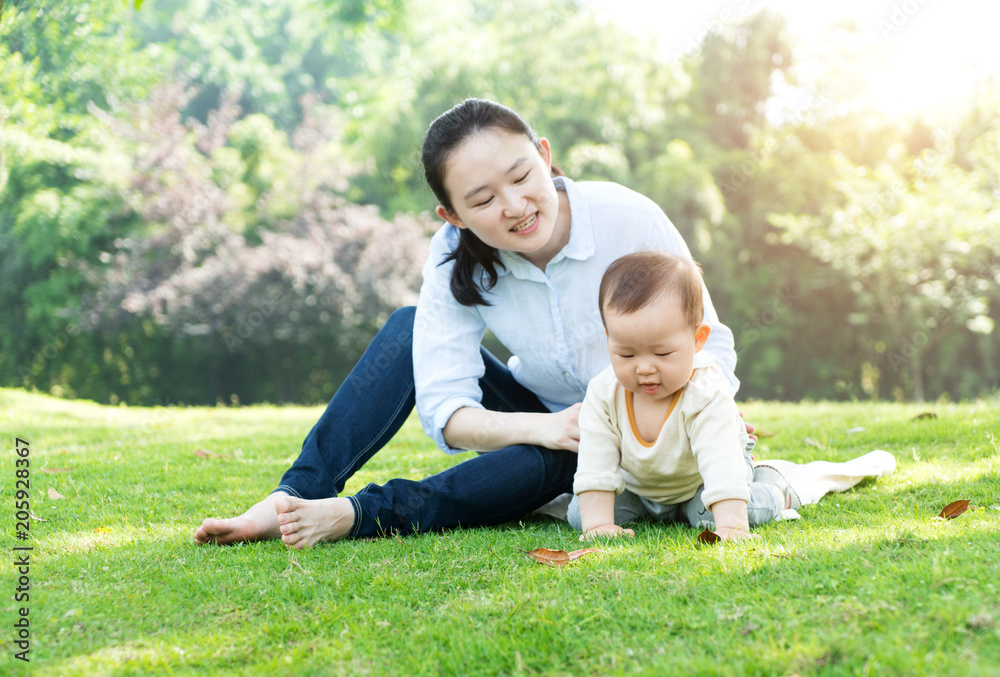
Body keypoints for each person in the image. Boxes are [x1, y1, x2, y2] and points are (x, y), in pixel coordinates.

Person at [194, 98, 745, 549]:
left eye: (522, 176)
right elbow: (446, 411)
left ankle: (356, 515)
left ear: (545, 156)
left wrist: (683, 417)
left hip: (642, 418)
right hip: (544, 422)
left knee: (543, 465)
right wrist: (546, 427)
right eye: (482, 199)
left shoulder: (629, 218)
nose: (515, 206)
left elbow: (708, 342)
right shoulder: (451, 255)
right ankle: (293, 497)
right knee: (410, 328)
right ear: (453, 216)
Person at [569, 251, 800, 543]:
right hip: (641, 489)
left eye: (663, 353)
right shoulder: (604, 393)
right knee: (582, 514)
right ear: (608, 337)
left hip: (700, 483)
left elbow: (721, 463)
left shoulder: (705, 393)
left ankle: (777, 490)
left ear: (697, 339)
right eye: (626, 353)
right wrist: (599, 524)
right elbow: (596, 462)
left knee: (715, 515)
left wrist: (731, 526)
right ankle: (654, 511)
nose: (644, 368)